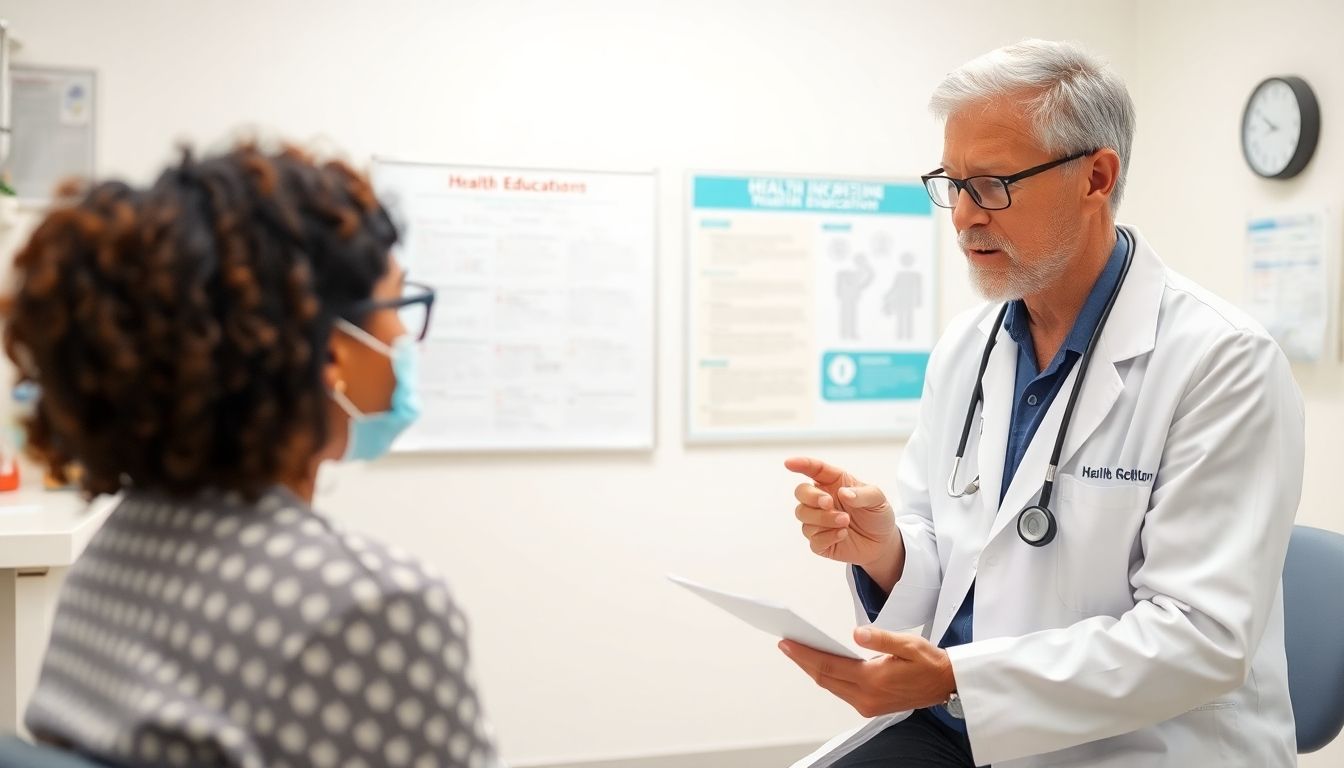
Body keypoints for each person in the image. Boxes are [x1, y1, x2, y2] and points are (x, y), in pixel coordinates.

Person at [781, 39, 1303, 767]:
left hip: (1139, 745)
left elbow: (1201, 637)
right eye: (952, 183)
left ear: (1096, 175)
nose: (963, 216)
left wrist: (965, 677)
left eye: (992, 184)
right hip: (961, 722)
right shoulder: (969, 346)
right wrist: (888, 550)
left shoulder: (1222, 362)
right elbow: (953, 548)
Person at [4, 144, 500, 768]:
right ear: (331, 356)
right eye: (397, 309)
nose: (405, 340)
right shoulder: (373, 606)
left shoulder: (122, 542)